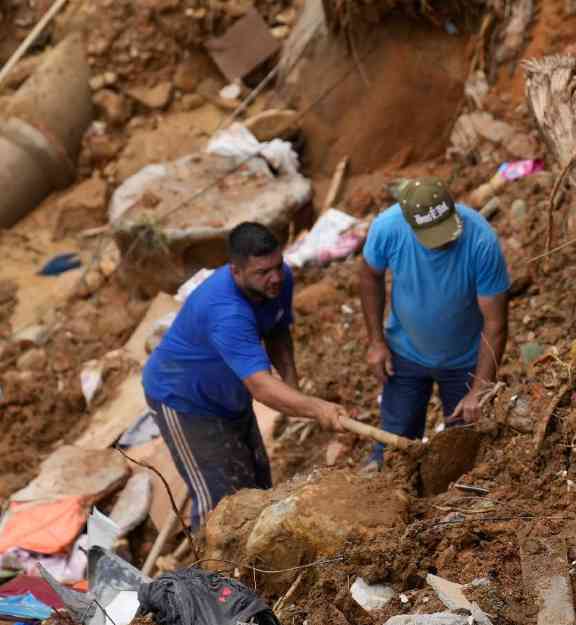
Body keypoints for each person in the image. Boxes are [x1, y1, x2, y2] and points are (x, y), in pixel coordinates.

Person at [142, 222, 345, 530]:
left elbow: (277, 329)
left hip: (229, 396)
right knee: (222, 506)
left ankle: (252, 573)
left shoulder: (279, 281)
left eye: (277, 266)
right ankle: (212, 575)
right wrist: (317, 408)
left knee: (257, 489)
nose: (274, 277)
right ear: (235, 271)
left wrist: (293, 387)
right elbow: (261, 387)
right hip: (185, 402)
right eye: (262, 272)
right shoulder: (227, 312)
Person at [358, 177, 509, 471]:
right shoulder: (388, 228)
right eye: (434, 236)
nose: (446, 240)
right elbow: (368, 276)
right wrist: (376, 342)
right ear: (411, 225)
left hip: (464, 359)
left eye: (448, 230)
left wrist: (479, 388)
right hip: (405, 351)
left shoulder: (480, 240)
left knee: (460, 450)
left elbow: (496, 324)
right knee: (395, 443)